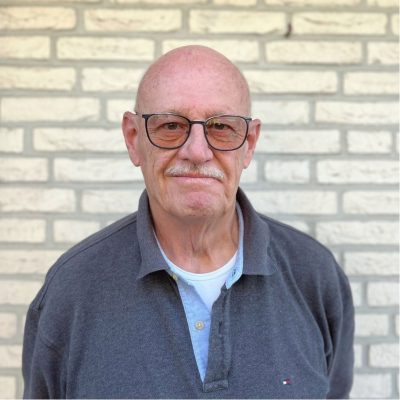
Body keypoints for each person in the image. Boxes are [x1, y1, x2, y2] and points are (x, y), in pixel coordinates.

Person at [22, 45, 354, 399]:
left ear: (249, 143)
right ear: (133, 138)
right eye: (170, 125)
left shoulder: (314, 276)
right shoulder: (72, 290)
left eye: (221, 127)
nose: (197, 151)